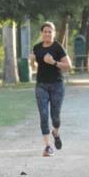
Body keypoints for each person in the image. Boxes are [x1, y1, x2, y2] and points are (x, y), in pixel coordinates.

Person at [29, 22, 72, 157]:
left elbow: (68, 66)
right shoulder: (36, 48)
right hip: (41, 85)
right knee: (43, 115)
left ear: (53, 33)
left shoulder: (58, 47)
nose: (47, 34)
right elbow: (35, 68)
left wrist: (53, 62)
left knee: (55, 118)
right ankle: (48, 146)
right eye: (45, 31)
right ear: (41, 33)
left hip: (57, 85)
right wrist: (31, 61)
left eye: (50, 31)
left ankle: (56, 133)